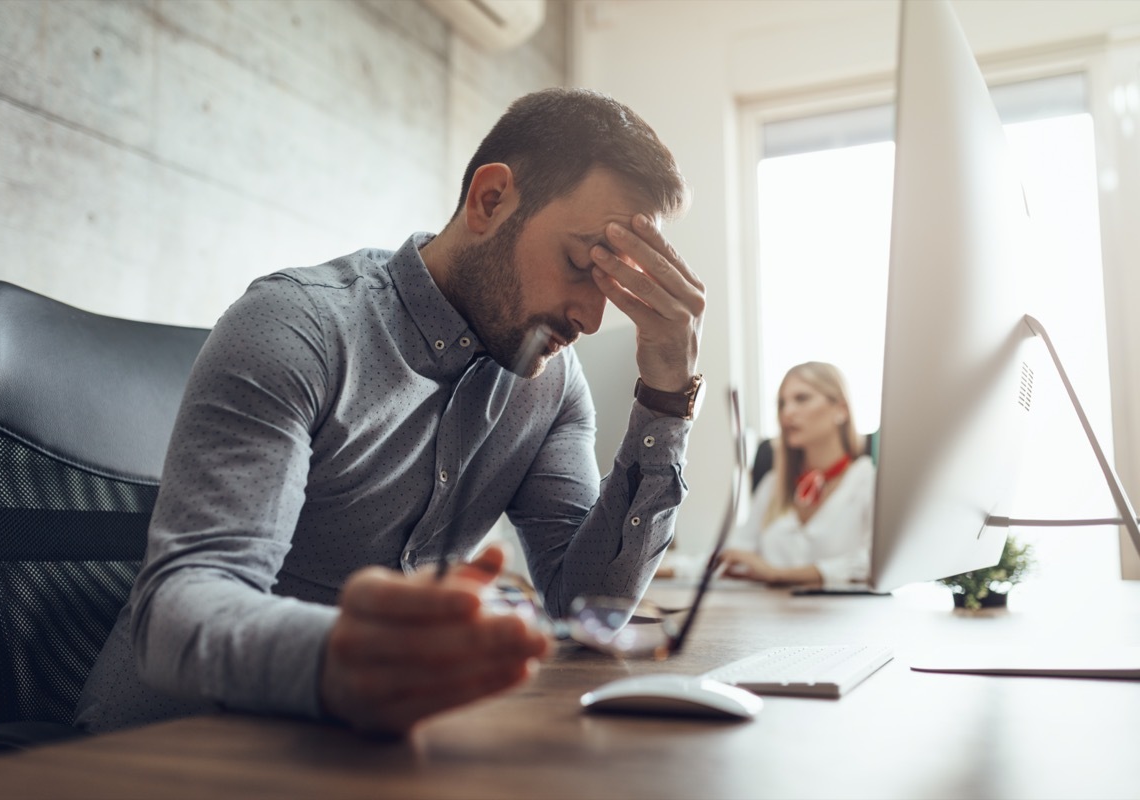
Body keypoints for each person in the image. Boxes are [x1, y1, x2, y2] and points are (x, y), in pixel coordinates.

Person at [74, 88, 706, 736]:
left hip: (363, 756)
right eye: (580, 264)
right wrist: (339, 660)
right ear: (491, 201)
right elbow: (176, 611)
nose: (592, 318)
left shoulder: (548, 384)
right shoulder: (299, 326)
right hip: (168, 749)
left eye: (611, 284)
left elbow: (584, 605)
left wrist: (665, 398)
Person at [717, 362, 873, 589]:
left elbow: (873, 562)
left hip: (844, 620)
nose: (787, 413)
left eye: (801, 399)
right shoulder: (774, 484)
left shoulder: (868, 481)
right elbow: (734, 554)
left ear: (841, 409)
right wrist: (662, 566)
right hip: (774, 618)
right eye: (782, 404)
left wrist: (779, 575)